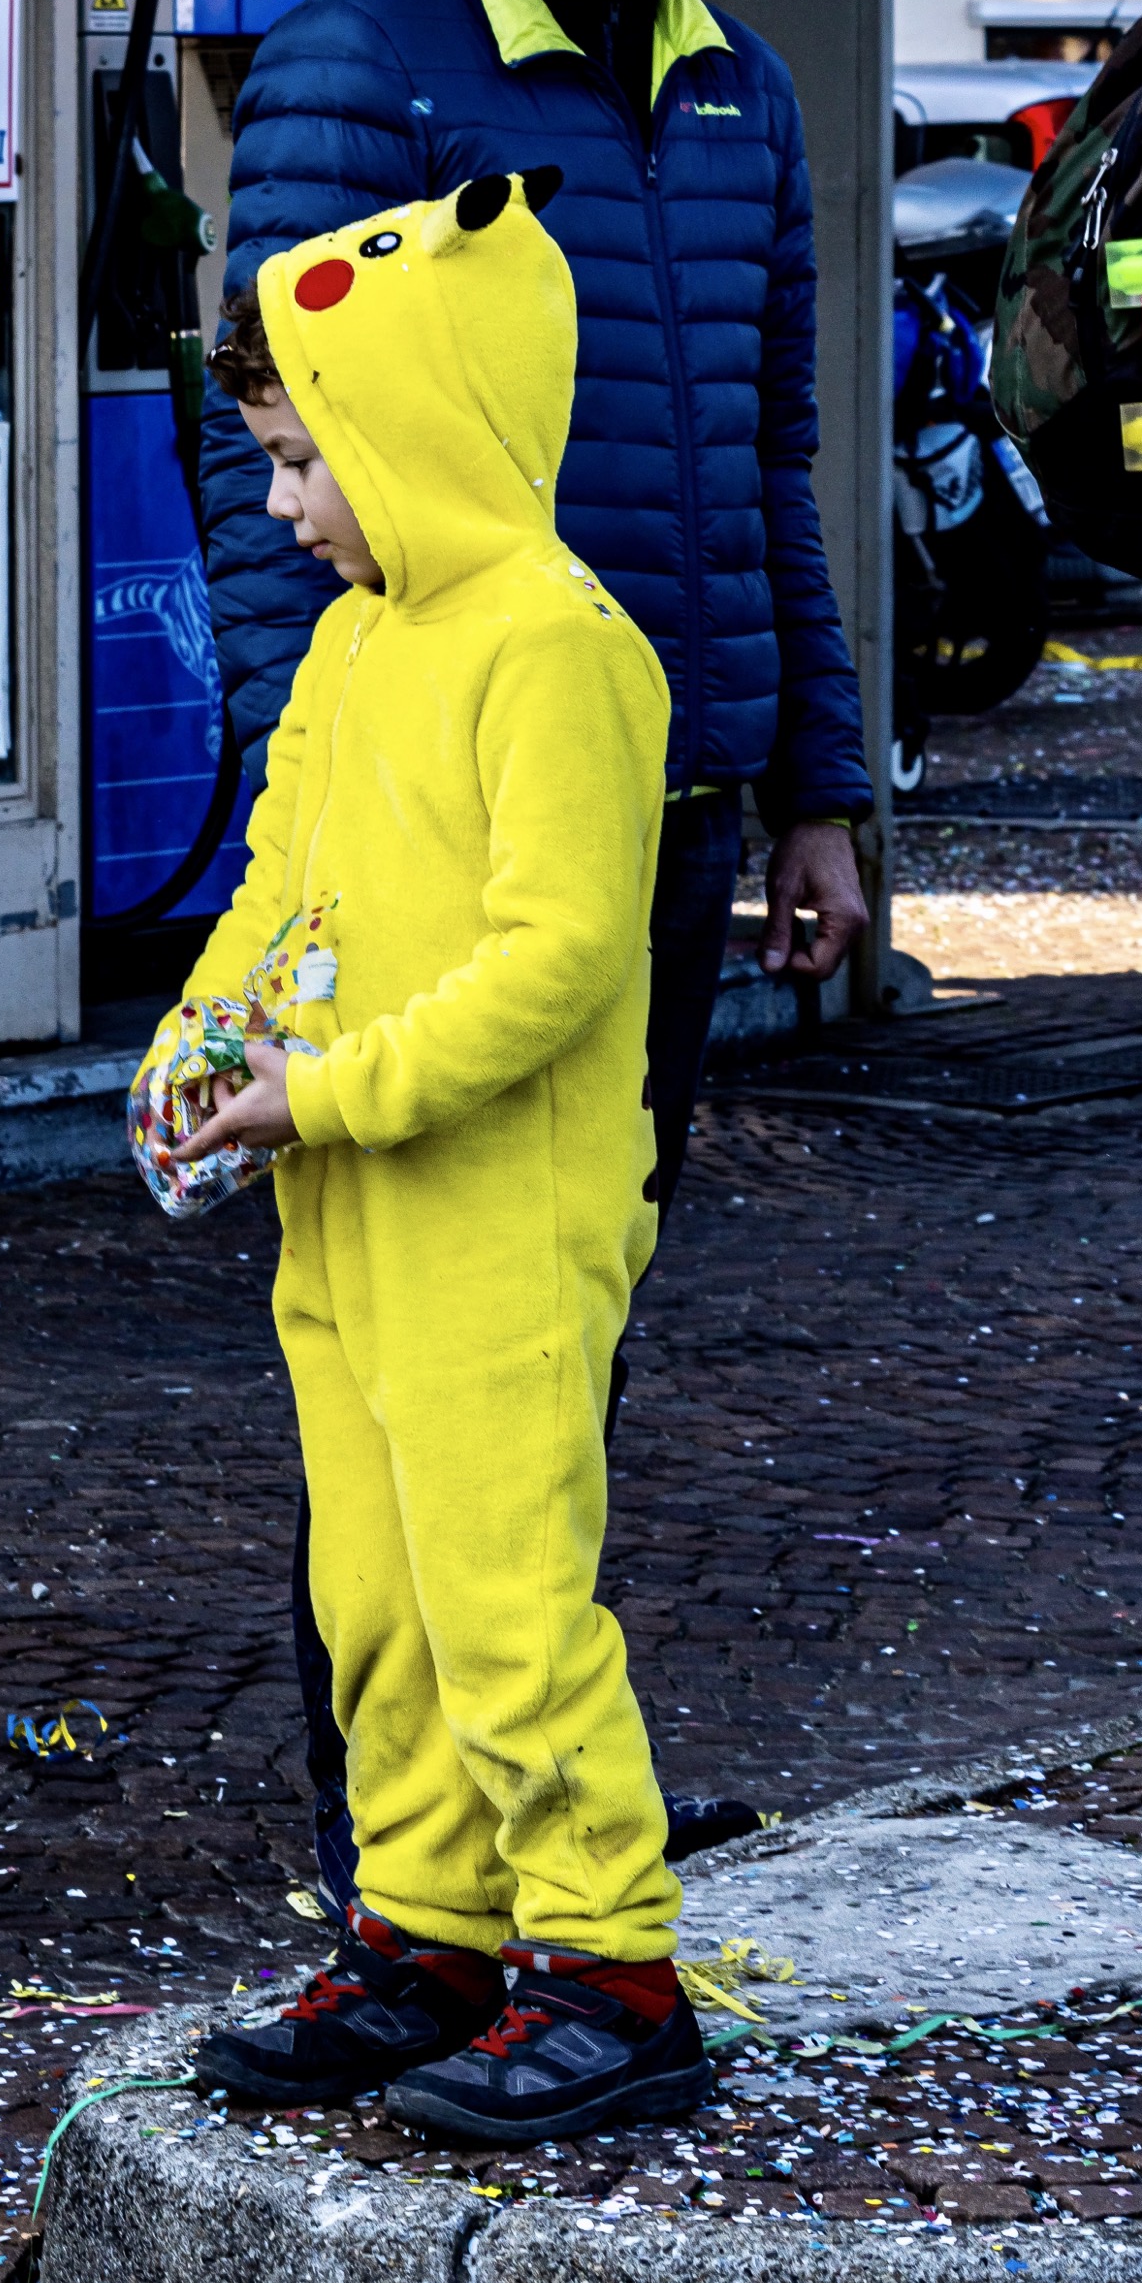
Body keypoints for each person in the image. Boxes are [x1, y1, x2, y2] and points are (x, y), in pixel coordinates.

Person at [197, 0, 863, 1908]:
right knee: (398, 1345)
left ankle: (535, 1757)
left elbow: (771, 463)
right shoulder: (358, 69)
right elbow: (278, 475)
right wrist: (318, 851)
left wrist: (817, 785)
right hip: (438, 827)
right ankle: (404, 1851)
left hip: (666, 811)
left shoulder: (740, 92)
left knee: (558, 1314)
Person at [163, 189, 707, 2146]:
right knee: (373, 1597)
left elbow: (559, 964)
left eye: (312, 461)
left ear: (428, 425)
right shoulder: (353, 653)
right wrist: (204, 1049)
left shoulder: (561, 651)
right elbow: (271, 895)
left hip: (498, 1219)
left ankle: (609, 1968)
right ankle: (428, 1935)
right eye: (281, 464)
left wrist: (327, 1089)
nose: (292, 507)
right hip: (350, 1210)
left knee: (502, 1595)